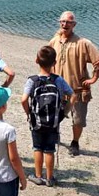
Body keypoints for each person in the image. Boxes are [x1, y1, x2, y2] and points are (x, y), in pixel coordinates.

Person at [49, 11, 99, 156]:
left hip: (78, 90)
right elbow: (46, 59)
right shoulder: (54, 41)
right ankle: (55, 135)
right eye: (62, 21)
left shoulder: (83, 43)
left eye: (68, 22)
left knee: (78, 120)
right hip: (57, 89)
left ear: (74, 24)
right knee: (55, 114)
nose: (65, 24)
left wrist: (93, 79)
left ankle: (75, 142)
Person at [21, 46, 76, 186]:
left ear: (36, 61)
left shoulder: (32, 81)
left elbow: (23, 99)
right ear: (54, 63)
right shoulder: (58, 80)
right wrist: (64, 112)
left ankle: (38, 176)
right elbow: (73, 96)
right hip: (53, 121)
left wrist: (29, 113)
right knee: (49, 149)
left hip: (36, 121)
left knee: (37, 147)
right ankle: (50, 178)